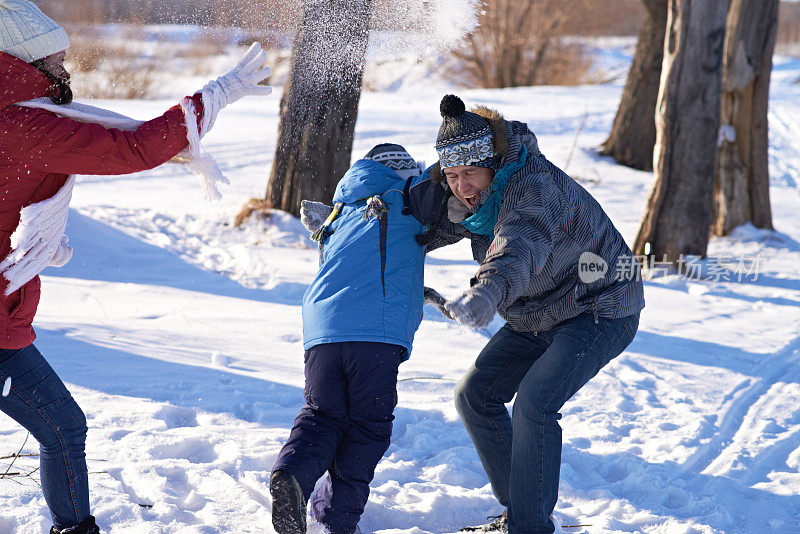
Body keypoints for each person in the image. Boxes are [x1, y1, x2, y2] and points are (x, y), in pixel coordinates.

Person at [0, 2, 271, 532]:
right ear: (22, 59)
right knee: (62, 427)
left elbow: (112, 143)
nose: (66, 67)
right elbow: (131, 148)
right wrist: (215, 96)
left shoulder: (20, 117)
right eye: (54, 57)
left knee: (62, 428)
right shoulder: (22, 124)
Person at [426, 95, 645, 533]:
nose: (461, 187)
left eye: (470, 173)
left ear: (494, 163)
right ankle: (523, 513)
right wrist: (346, 226)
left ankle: (529, 527)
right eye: (452, 176)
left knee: (535, 404)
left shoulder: (532, 189)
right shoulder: (472, 197)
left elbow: (516, 247)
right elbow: (412, 217)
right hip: (538, 310)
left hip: (598, 306)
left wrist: (485, 296)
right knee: (475, 395)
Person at [270, 144, 444, 534]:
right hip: (376, 336)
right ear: (403, 171)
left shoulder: (341, 208)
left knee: (322, 415)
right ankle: (335, 521)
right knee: (368, 426)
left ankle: (293, 477)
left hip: (322, 331)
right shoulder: (409, 194)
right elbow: (446, 172)